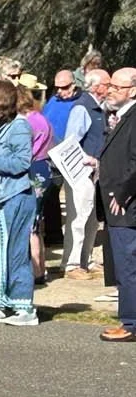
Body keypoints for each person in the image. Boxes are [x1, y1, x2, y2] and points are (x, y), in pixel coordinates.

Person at [0, 79, 39, 327]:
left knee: (16, 251)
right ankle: (1, 302)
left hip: (16, 196)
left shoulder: (20, 126)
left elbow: (22, 163)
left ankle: (25, 306)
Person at [45, 69, 107, 278]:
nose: (60, 91)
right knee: (77, 217)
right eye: (109, 85)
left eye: (64, 87)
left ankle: (86, 259)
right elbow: (71, 142)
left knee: (91, 218)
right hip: (80, 171)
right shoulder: (82, 108)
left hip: (95, 171)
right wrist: (79, 168)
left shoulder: (98, 106)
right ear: (98, 87)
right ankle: (70, 264)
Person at [93, 68, 136, 342]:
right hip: (118, 200)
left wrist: (122, 194)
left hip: (125, 205)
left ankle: (131, 323)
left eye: (117, 88)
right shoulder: (121, 117)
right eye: (110, 86)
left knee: (127, 264)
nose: (110, 91)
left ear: (133, 90)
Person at [17, 80, 53, 283]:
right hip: (43, 167)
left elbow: (25, 150)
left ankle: (35, 270)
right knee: (36, 223)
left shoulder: (28, 122)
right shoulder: (41, 118)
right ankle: (40, 269)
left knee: (29, 223)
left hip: (32, 168)